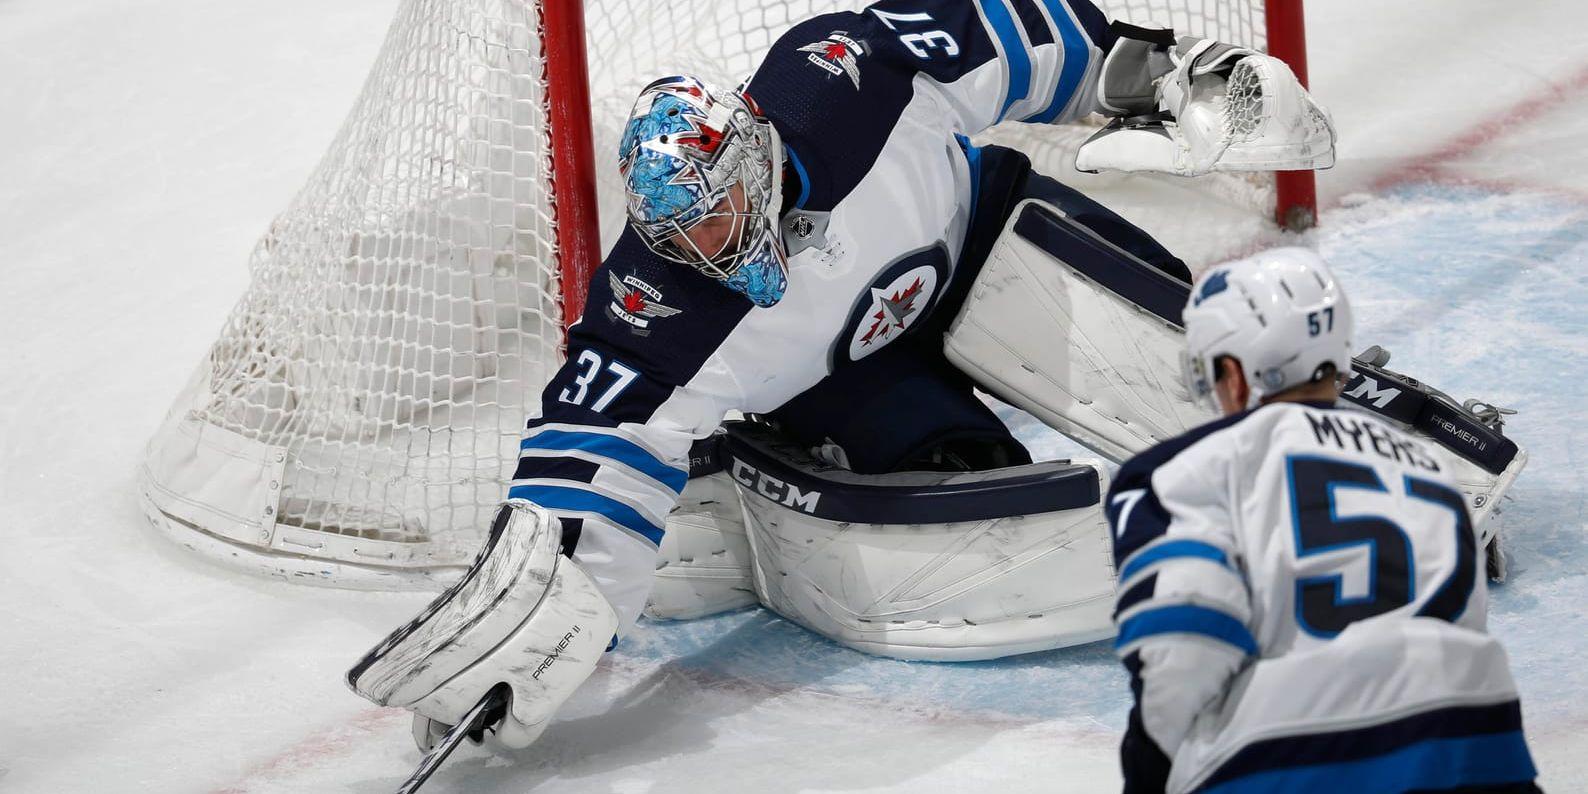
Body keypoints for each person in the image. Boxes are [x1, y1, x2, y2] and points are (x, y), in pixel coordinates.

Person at [341, 0, 1357, 755]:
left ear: (752, 157)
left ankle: (1343, 456)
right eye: (681, 231)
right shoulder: (651, 307)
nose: (708, 244)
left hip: (980, 241)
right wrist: (541, 615)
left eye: (717, 212)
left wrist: (1164, 73)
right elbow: (584, 465)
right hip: (843, 380)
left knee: (1175, 343)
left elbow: (1011, 32)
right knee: (974, 487)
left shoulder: (843, 77)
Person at [1106, 248, 1539, 793]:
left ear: (1236, 375)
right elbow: (1460, 623)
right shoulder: (1433, 472)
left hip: (1296, 761)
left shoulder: (1178, 472)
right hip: (1478, 756)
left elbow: (1186, 643)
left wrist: (1146, 775)